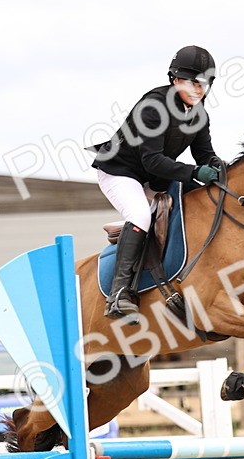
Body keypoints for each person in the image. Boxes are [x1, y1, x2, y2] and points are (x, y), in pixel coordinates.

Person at [90, 45, 225, 319]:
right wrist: (196, 173)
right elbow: (153, 160)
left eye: (205, 84)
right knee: (140, 215)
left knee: (201, 199)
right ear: (175, 80)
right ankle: (119, 294)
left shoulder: (199, 115)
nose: (200, 89)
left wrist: (218, 168)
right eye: (193, 82)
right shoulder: (153, 108)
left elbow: (205, 155)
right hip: (120, 171)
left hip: (154, 176)